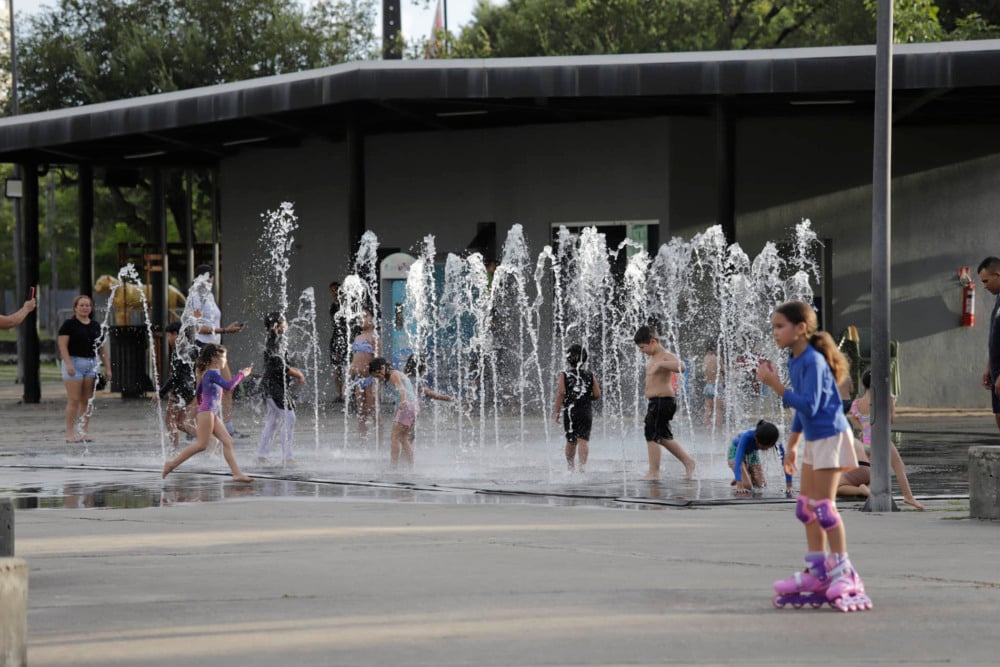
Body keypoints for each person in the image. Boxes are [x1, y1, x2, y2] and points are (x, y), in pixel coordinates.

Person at [756, 300, 872, 612]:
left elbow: (811, 405)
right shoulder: (796, 360)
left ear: (801, 328)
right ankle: (818, 571)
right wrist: (793, 444)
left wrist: (775, 385)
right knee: (805, 508)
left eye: (780, 326)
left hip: (831, 437)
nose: (775, 332)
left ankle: (844, 572)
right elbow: (802, 413)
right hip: (814, 439)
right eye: (774, 327)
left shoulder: (813, 361)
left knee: (824, 508)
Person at [162, 344, 253, 482]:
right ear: (214, 358)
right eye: (224, 357)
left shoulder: (209, 374)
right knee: (202, 445)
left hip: (209, 412)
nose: (226, 360)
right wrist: (242, 374)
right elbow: (229, 386)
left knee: (228, 441)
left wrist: (201, 405)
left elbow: (199, 391)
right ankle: (171, 464)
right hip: (207, 412)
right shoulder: (211, 373)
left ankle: (237, 474)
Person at [846, 370, 925, 510]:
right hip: (881, 440)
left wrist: (864, 429)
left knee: (876, 471)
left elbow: (852, 417)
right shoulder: (882, 400)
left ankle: (874, 495)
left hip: (867, 443)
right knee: (899, 467)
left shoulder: (857, 403)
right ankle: (908, 497)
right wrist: (892, 403)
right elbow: (890, 420)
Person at [187, 264, 246, 437]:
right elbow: (199, 327)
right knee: (201, 390)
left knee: (229, 387)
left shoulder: (210, 296)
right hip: (204, 348)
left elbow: (212, 323)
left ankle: (228, 427)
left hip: (216, 349)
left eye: (211, 279)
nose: (211, 282)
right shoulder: (195, 297)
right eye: (209, 279)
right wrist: (225, 330)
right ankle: (190, 428)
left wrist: (225, 330)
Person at [634, 325, 696, 481]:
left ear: (653, 342)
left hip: (663, 401)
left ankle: (654, 472)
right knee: (662, 437)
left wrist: (661, 364)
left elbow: (681, 367)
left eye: (643, 347)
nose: (642, 351)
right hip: (657, 402)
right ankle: (688, 462)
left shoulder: (665, 356)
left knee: (651, 434)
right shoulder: (653, 357)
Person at [58, 294, 111, 443]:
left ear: (91, 308)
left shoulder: (96, 326)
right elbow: (62, 345)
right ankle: (69, 433)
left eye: (87, 305)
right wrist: (68, 364)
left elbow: (102, 349)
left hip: (91, 363)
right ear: (75, 308)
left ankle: (83, 431)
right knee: (74, 399)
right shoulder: (69, 324)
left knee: (87, 400)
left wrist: (108, 367)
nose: (84, 308)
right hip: (74, 362)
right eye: (81, 305)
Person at [256, 312, 305, 466]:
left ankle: (261, 455)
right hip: (275, 387)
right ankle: (287, 457)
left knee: (273, 421)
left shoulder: (274, 339)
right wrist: (298, 374)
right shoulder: (275, 341)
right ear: (276, 325)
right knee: (289, 418)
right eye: (284, 322)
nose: (286, 324)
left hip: (271, 385)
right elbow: (279, 365)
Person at [552, 344, 601, 472]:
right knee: (583, 440)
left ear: (568, 359)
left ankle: (570, 467)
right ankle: (582, 468)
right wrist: (585, 398)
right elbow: (597, 394)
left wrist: (556, 411)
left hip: (570, 411)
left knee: (571, 440)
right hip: (585, 411)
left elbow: (561, 393)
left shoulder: (564, 375)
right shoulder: (590, 374)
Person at [368, 356, 418, 466]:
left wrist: (404, 400)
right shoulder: (395, 374)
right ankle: (409, 466)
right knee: (403, 438)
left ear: (382, 368)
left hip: (407, 405)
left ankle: (394, 466)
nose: (378, 379)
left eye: (378, 376)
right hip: (412, 405)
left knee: (395, 436)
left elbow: (401, 389)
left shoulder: (393, 375)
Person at [155, 321, 196, 453]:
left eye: (169, 335)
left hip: (180, 391)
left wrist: (160, 393)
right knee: (180, 423)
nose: (168, 339)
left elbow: (175, 377)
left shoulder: (180, 352)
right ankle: (207, 438)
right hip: (188, 390)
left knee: (170, 421)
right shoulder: (186, 349)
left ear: (177, 335)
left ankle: (174, 450)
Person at [729, 419, 793, 496]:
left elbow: (785, 462)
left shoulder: (774, 439)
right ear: (756, 440)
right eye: (763, 447)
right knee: (747, 486)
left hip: (752, 452)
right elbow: (738, 461)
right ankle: (742, 476)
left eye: (769, 447)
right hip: (735, 451)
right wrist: (740, 485)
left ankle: (744, 474)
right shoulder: (746, 436)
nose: (766, 449)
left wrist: (789, 486)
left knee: (761, 485)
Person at [978, 256, 1000, 434]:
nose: (984, 286)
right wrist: (989, 366)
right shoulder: (998, 300)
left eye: (986, 281)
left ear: (998, 274)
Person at [349, 308, 379, 436]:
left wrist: (378, 380)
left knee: (373, 411)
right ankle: (362, 442)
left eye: (365, 316)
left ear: (373, 319)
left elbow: (379, 361)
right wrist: (347, 380)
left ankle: (380, 441)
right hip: (358, 379)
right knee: (361, 413)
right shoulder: (357, 338)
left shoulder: (374, 338)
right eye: (360, 317)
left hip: (371, 379)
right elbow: (354, 362)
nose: (361, 319)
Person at [328, 281, 348, 402]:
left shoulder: (346, 305)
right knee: (337, 370)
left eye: (336, 290)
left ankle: (346, 394)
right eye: (332, 291)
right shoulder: (333, 306)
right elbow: (335, 325)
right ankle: (341, 394)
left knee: (348, 367)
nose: (334, 293)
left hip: (346, 339)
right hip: (337, 339)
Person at [702, 342, 723, 426]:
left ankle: (706, 426)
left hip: (708, 386)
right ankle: (719, 429)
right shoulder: (717, 358)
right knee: (718, 409)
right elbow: (724, 370)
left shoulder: (705, 358)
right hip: (717, 385)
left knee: (708, 408)